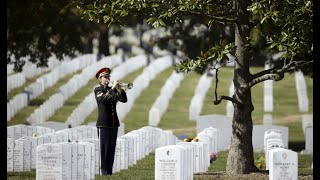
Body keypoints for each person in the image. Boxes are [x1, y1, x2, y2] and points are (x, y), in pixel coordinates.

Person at [94, 67, 127, 175]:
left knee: (112, 148)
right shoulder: (98, 90)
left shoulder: (111, 90)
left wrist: (120, 88)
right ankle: (104, 172)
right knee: (104, 149)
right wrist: (112, 88)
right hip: (103, 123)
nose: (108, 78)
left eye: (109, 76)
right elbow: (103, 99)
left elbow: (123, 100)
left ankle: (109, 171)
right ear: (100, 79)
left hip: (113, 124)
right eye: (106, 76)